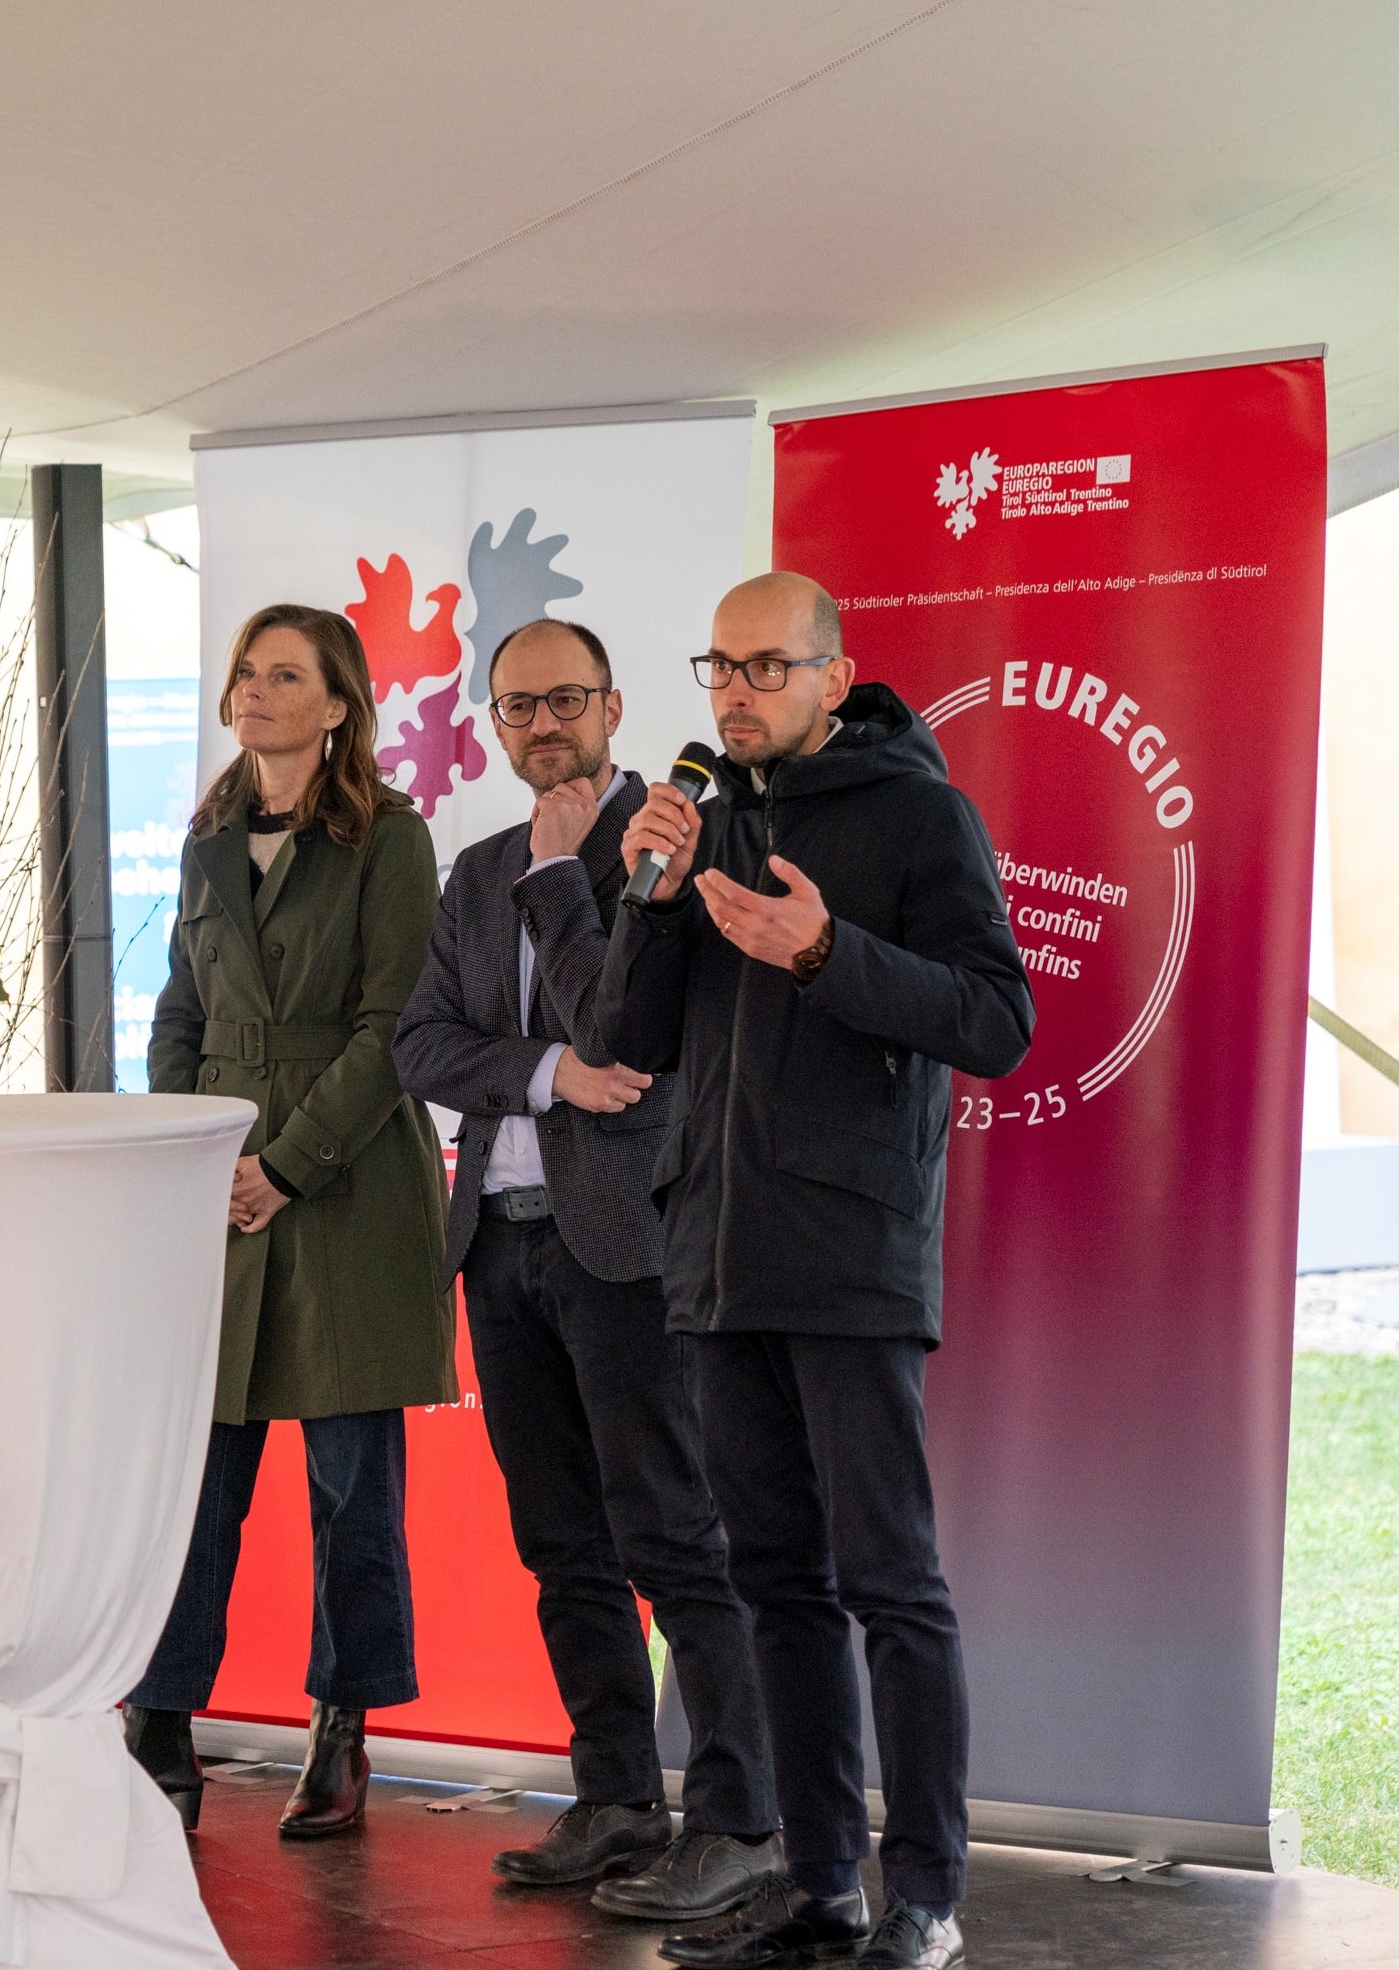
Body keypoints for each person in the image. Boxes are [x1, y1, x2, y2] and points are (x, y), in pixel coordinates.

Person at [596, 573, 1032, 1970]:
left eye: (765, 668)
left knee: (889, 1583)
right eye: (717, 667)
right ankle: (823, 1882)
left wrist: (827, 951)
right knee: (773, 1583)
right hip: (717, 1257)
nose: (733, 692)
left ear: (834, 679)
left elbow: (996, 1019)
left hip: (849, 1253)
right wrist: (649, 901)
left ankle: (927, 1898)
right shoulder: (702, 819)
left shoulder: (918, 814)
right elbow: (627, 1041)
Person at [393, 618, 781, 1923]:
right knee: (561, 1541)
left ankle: (739, 1819)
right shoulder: (477, 871)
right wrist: (551, 1074)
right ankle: (616, 1796)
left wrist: (571, 886)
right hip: (497, 1244)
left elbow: (629, 1027)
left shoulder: (669, 844)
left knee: (672, 1533)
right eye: (517, 707)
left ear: (612, 707)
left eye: (564, 699)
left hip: (626, 1244)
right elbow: (422, 1045)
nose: (541, 725)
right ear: (494, 726)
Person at [123, 603, 451, 1841]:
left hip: (348, 1185)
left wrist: (287, 1164)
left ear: (337, 704)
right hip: (219, 1186)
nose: (253, 692)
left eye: (283, 675)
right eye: (244, 674)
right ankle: (158, 1719)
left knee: (350, 1486)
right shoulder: (207, 838)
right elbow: (178, 1012)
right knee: (196, 1480)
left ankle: (342, 1722)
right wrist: (191, 1146)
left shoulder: (390, 838)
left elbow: (393, 1029)